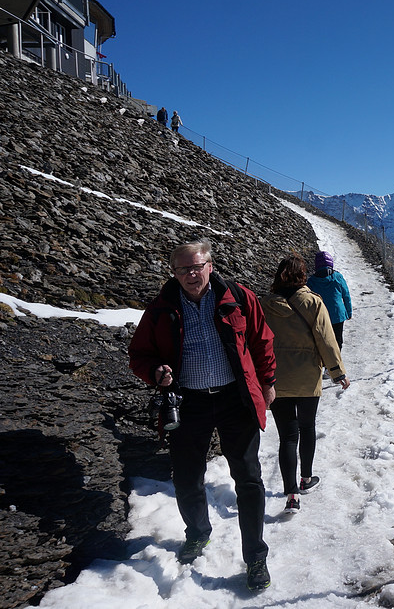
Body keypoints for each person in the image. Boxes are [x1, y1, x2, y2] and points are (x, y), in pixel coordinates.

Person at [128, 239, 277, 593]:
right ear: (174, 272)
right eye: (183, 269)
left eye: (197, 266)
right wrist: (156, 372)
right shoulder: (161, 309)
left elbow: (262, 341)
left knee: (249, 479)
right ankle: (197, 532)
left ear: (210, 265)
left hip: (234, 399)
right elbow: (139, 355)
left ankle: (256, 556)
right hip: (187, 402)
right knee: (186, 478)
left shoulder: (238, 297)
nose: (192, 275)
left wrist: (268, 382)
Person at [259, 254, 349, 515]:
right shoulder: (313, 303)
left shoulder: (264, 305)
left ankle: (291, 496)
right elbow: (326, 339)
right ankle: (306, 479)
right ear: (302, 276)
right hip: (308, 376)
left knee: (287, 436)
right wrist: (337, 372)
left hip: (276, 378)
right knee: (307, 427)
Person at [306, 250, 352, 349]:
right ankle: (337, 360)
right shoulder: (338, 277)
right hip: (338, 314)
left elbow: (307, 299)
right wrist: (349, 312)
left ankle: (325, 359)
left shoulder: (312, 281)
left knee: (323, 339)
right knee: (337, 340)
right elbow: (346, 295)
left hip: (320, 315)